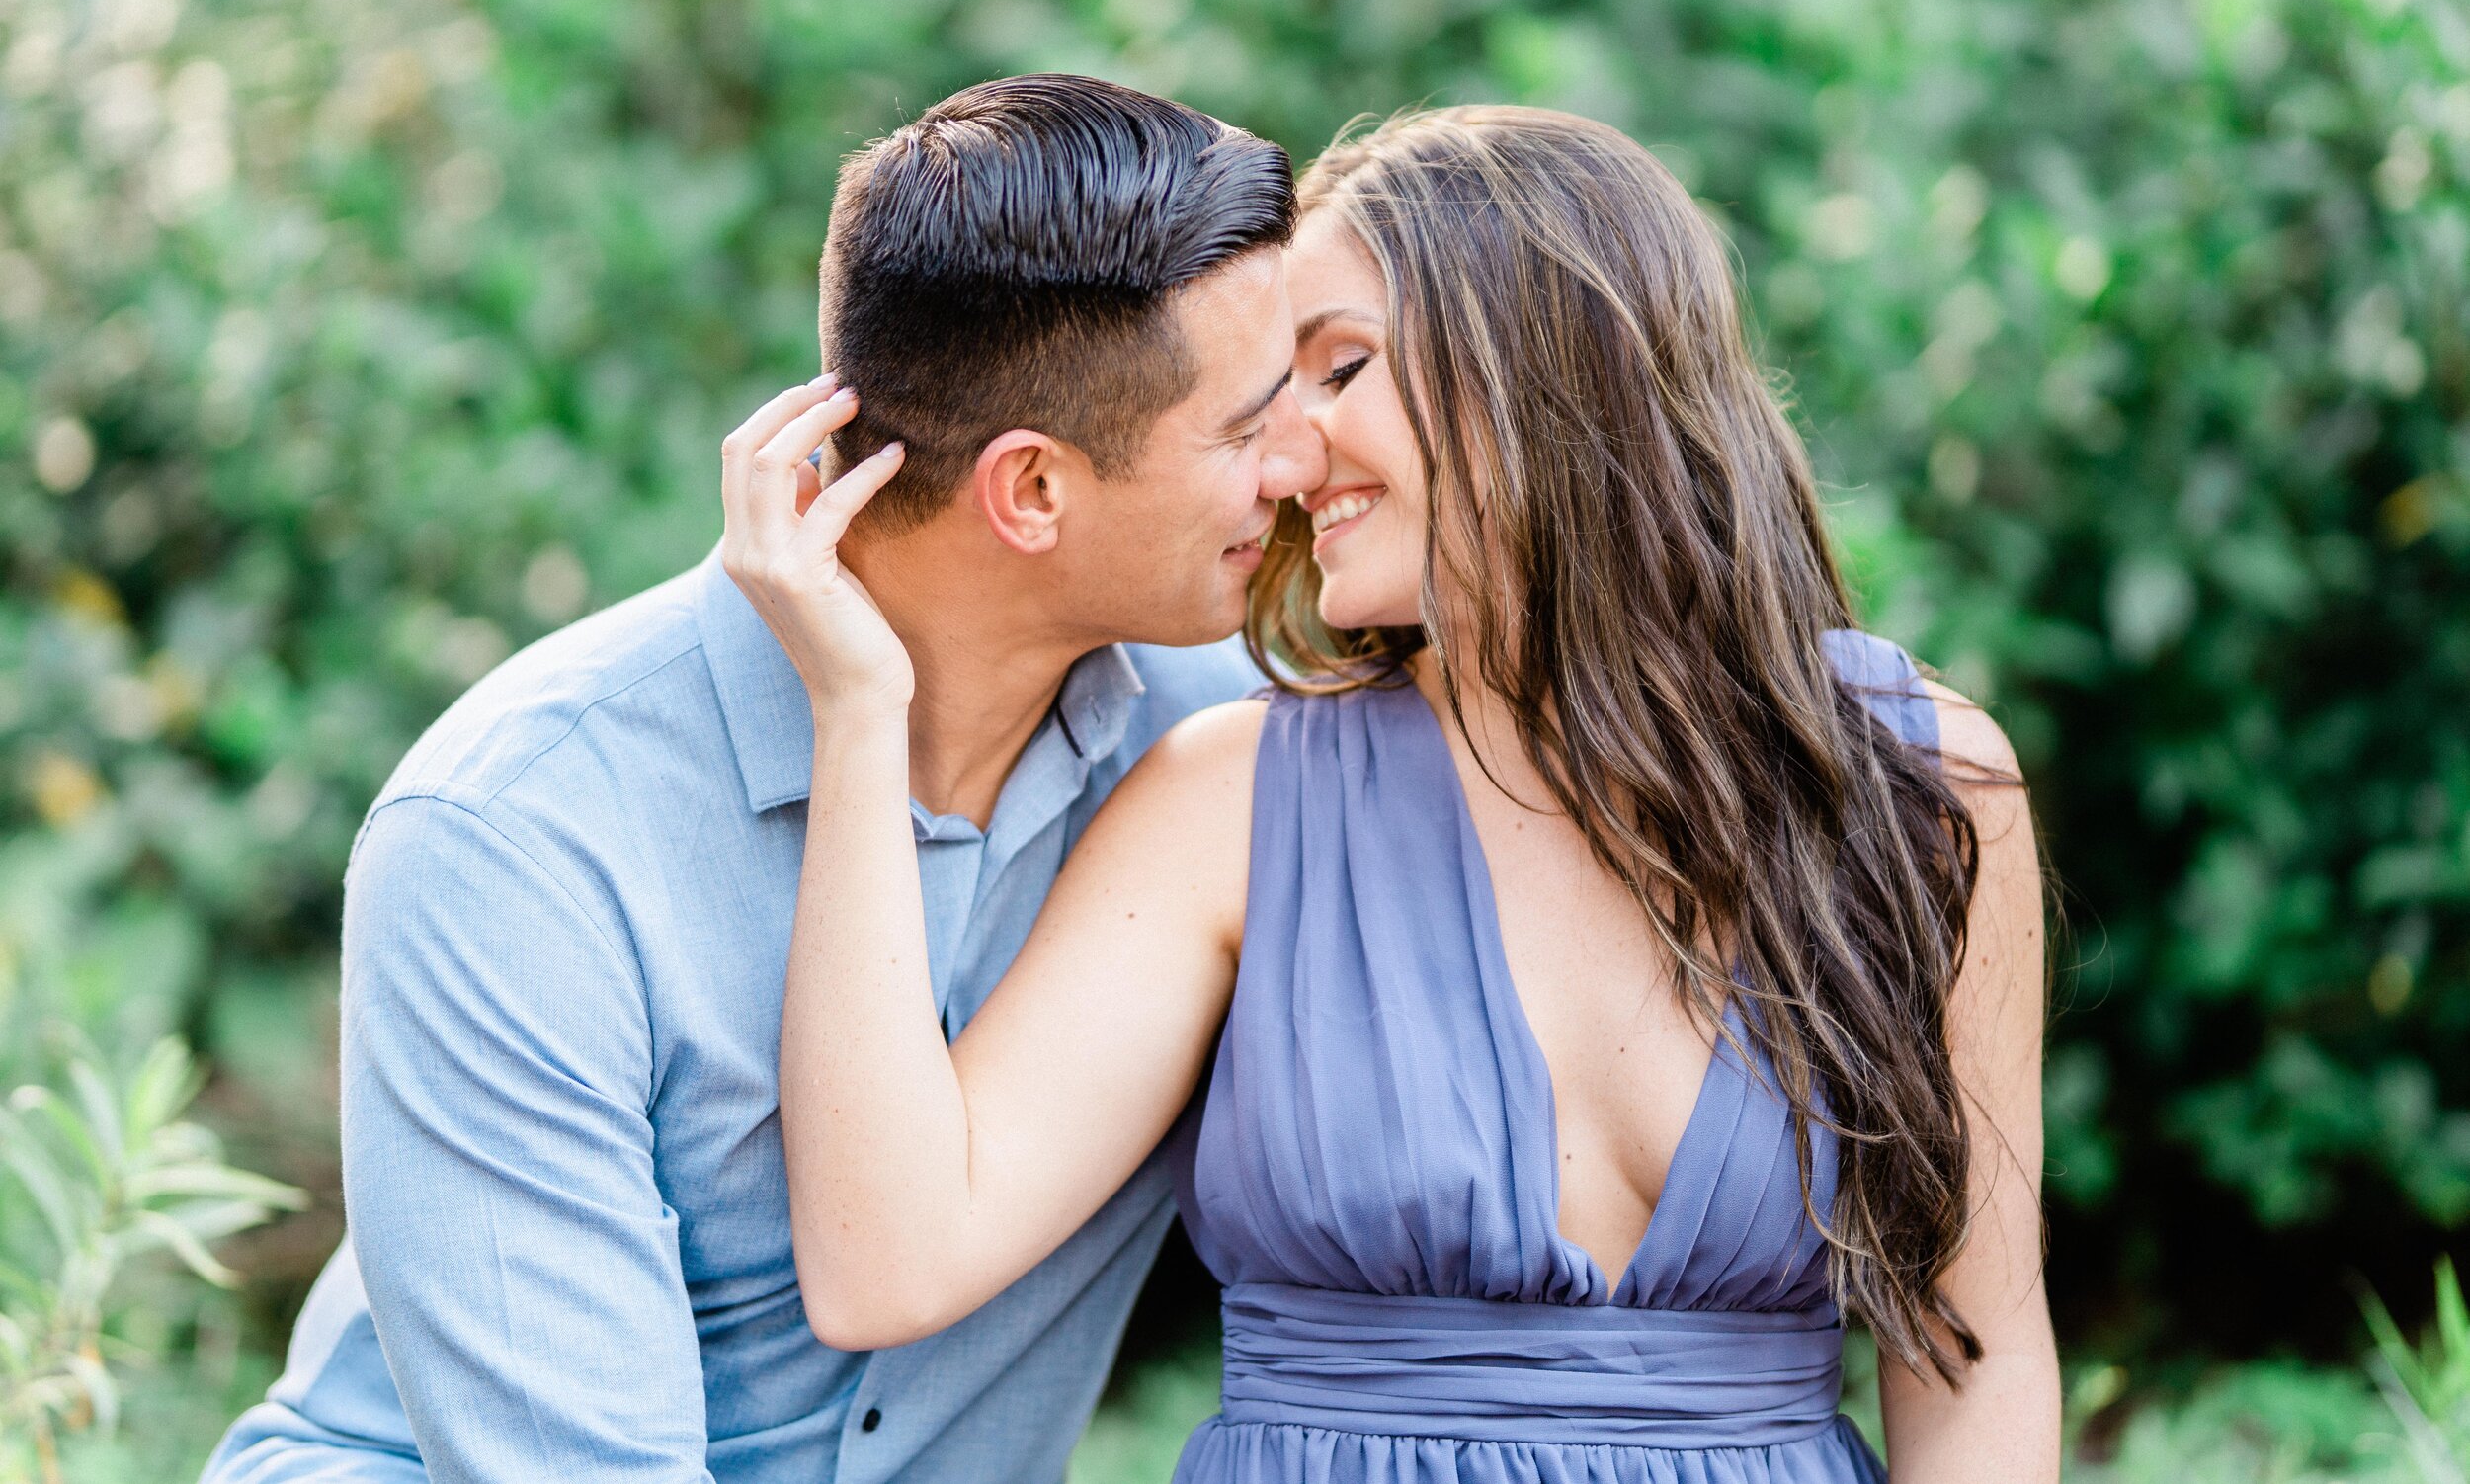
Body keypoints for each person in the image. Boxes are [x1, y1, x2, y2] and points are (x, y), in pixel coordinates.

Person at [725, 106, 2063, 1481]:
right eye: (1264, 401)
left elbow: (1980, 1354)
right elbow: (888, 1260)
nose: (1287, 462)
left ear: (1550, 371)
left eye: (1336, 371)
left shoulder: (1921, 789)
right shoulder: (1234, 804)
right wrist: (858, 707)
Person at [200, 75, 1325, 1483]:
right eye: (1246, 426)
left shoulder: (1227, 762)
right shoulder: (512, 837)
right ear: (1031, 491)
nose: (1303, 460)